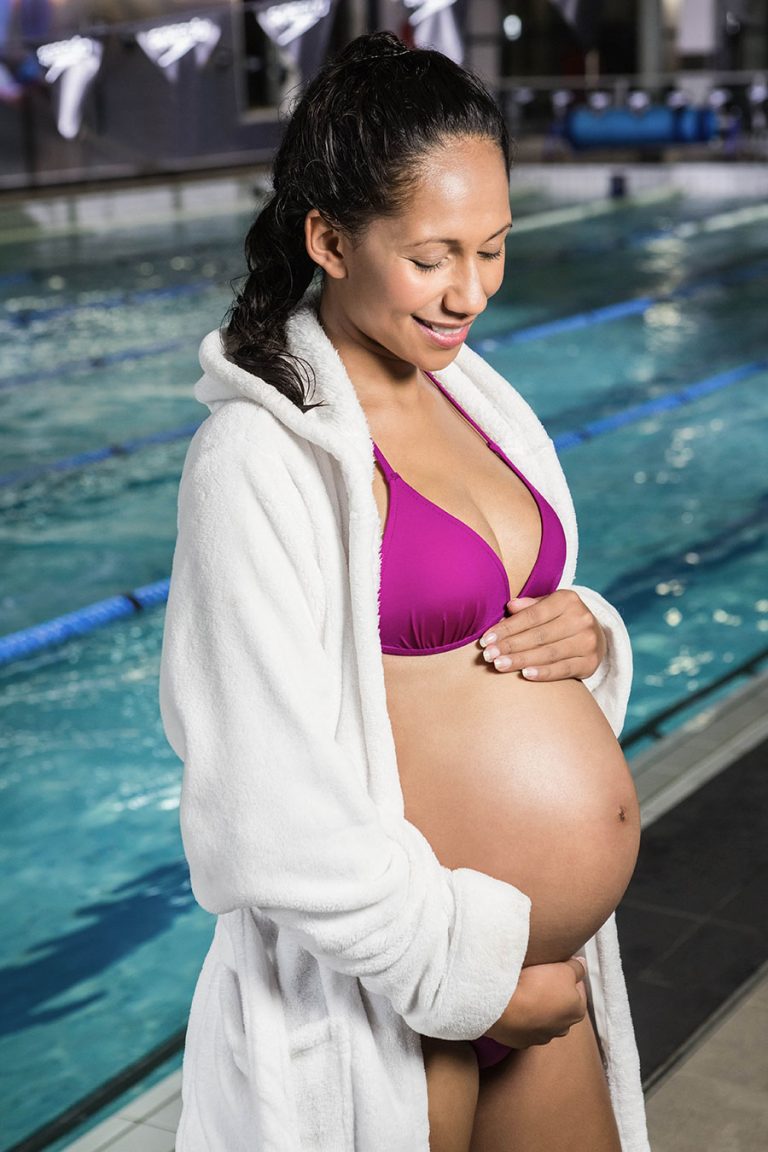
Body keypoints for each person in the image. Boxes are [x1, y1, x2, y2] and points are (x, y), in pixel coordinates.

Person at [159, 30, 650, 1152]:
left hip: (536, 978)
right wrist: (467, 979)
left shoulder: (474, 394)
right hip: (397, 998)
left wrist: (586, 631)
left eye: (494, 248)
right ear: (329, 238)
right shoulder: (257, 458)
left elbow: (500, 642)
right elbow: (261, 814)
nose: (468, 292)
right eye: (432, 256)